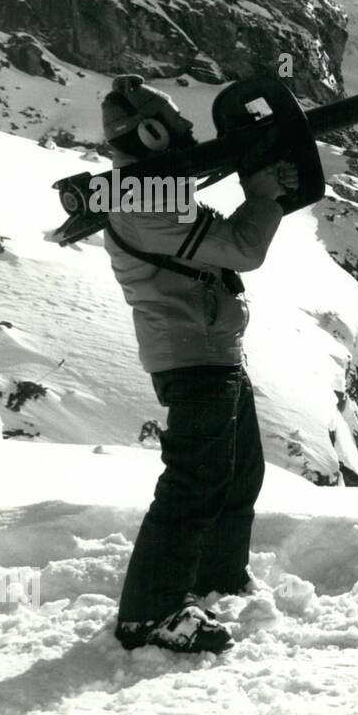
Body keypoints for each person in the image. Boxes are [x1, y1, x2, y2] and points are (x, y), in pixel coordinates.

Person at [100, 75, 297, 654]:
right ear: (153, 134)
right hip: (191, 356)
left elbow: (221, 238)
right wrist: (263, 197)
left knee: (237, 476)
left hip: (213, 348)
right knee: (193, 484)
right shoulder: (141, 202)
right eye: (177, 129)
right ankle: (150, 612)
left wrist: (261, 191)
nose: (189, 136)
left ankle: (216, 579)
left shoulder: (157, 193)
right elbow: (242, 249)